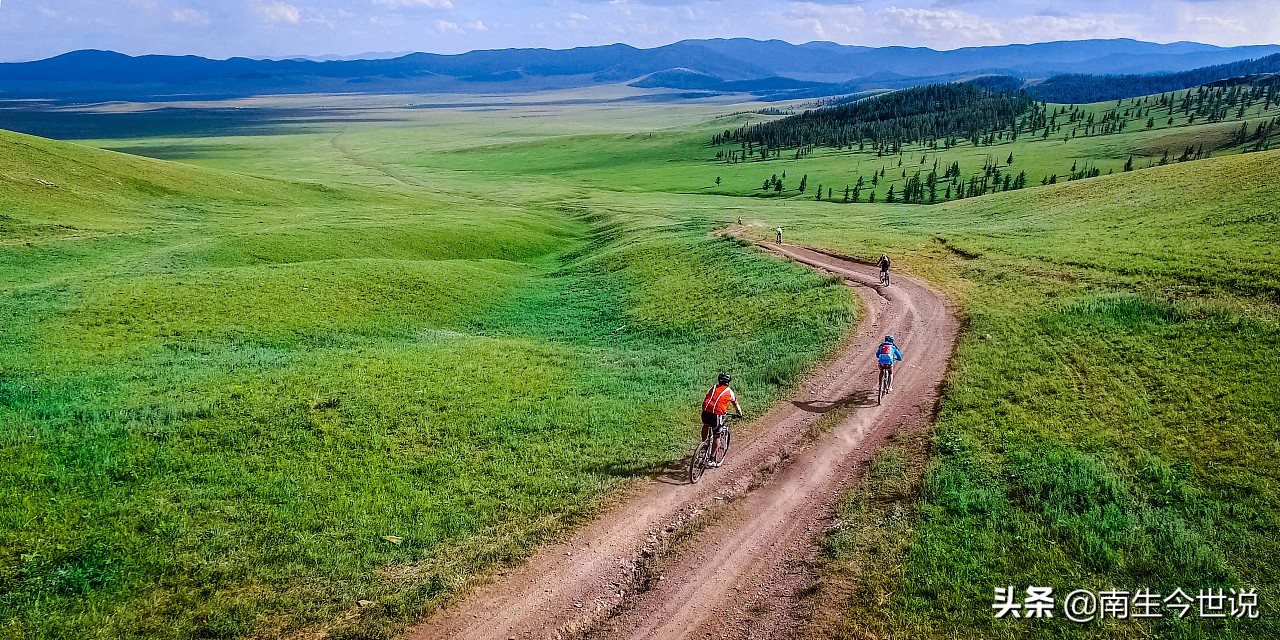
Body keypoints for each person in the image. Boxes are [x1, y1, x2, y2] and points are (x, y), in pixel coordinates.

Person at [701, 373, 743, 467]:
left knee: (706, 425)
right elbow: (736, 405)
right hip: (716, 413)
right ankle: (711, 459)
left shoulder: (714, 387)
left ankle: (703, 444)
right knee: (717, 436)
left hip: (705, 410)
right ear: (728, 382)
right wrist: (740, 414)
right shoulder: (729, 392)